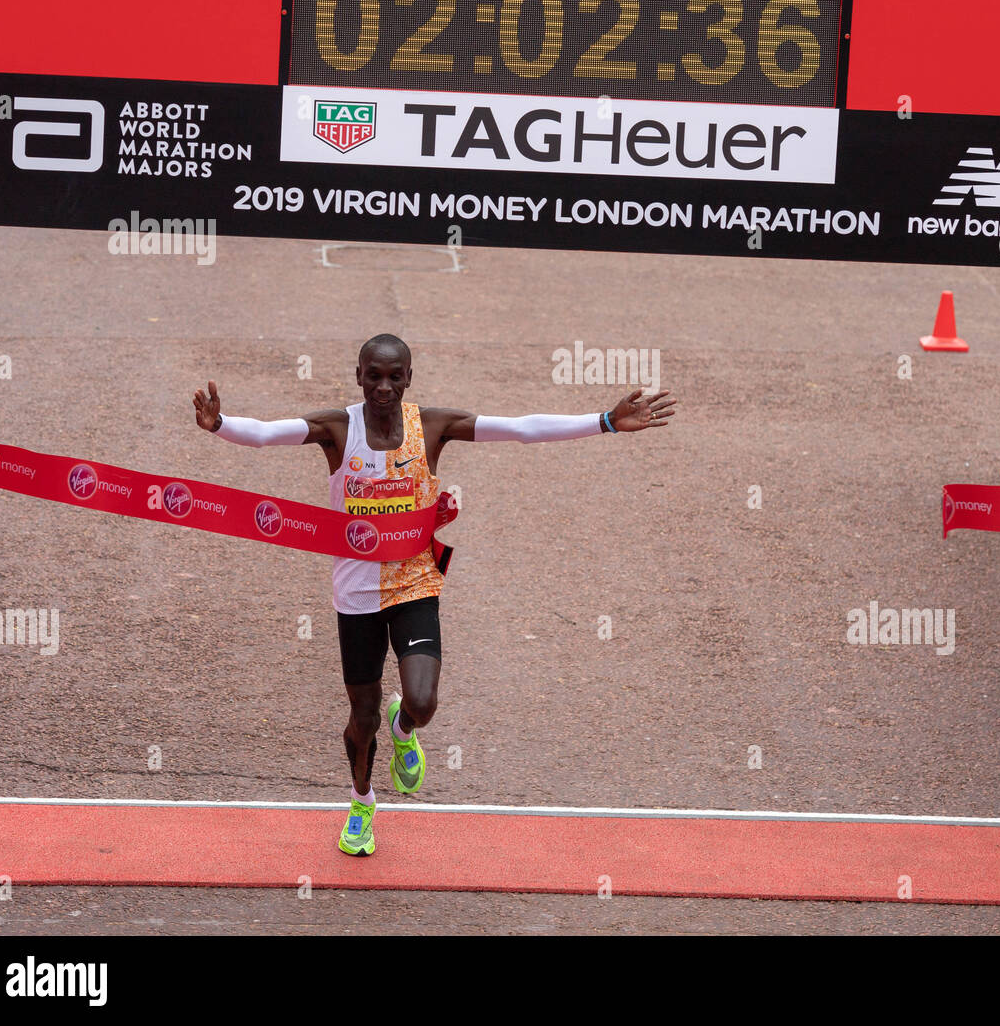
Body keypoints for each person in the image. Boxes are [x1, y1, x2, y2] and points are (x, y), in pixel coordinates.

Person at [193, 333, 676, 856]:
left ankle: (406, 730)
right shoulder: (338, 428)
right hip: (356, 594)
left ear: (408, 378)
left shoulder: (433, 428)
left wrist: (603, 420)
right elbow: (267, 435)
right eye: (372, 375)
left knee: (421, 702)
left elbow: (519, 429)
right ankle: (361, 802)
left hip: (415, 582)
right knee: (363, 714)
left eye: (393, 376)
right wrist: (220, 425)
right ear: (358, 376)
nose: (383, 386)